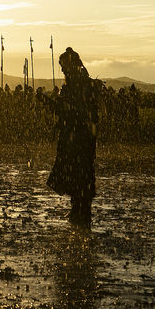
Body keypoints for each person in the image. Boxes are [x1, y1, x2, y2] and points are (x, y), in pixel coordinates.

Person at [47, 47, 101, 227]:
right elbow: (68, 110)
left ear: (70, 65)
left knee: (79, 173)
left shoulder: (80, 85)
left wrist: (64, 109)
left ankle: (81, 211)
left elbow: (80, 112)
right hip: (77, 137)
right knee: (77, 173)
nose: (62, 70)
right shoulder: (75, 84)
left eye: (63, 66)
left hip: (79, 137)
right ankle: (78, 209)